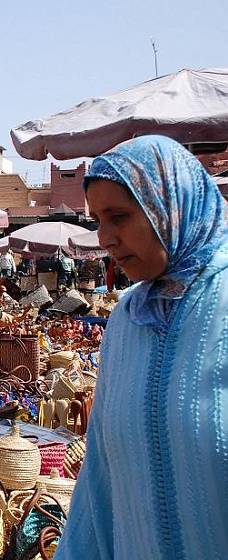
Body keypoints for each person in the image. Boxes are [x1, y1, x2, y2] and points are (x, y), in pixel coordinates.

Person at [54, 135, 228, 559]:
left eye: (120, 216)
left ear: (171, 207)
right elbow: (99, 478)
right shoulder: (127, 318)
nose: (105, 238)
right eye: (97, 219)